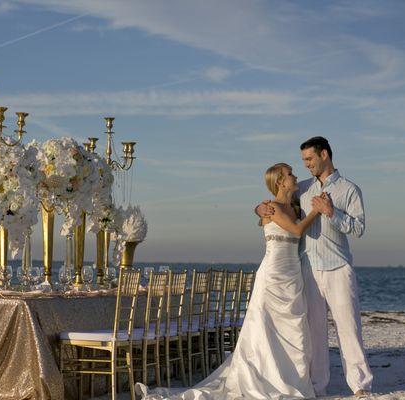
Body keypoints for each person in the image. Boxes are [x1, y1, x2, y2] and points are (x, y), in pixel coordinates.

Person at [137, 163, 319, 399]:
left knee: (293, 328)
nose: (295, 176)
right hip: (273, 274)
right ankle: (268, 378)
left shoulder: (294, 206)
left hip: (293, 273)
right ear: (280, 182)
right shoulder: (272, 207)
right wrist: (318, 211)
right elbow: (296, 231)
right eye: (290, 174)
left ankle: (289, 378)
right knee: (266, 328)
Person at [256, 137, 373, 397]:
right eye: (303, 161)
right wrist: (258, 208)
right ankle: (318, 386)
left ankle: (360, 386)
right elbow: (278, 202)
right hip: (306, 268)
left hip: (338, 267)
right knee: (314, 332)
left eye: (309, 159)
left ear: (324, 154)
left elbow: (359, 229)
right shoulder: (303, 188)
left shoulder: (349, 189)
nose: (306, 165)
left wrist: (332, 212)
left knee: (348, 327)